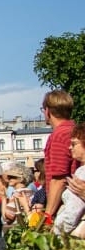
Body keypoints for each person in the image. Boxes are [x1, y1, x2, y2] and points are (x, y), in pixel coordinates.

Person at [43, 90, 79, 218]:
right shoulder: (76, 130)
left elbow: (59, 179)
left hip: (67, 208)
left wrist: (47, 216)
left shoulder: (60, 135)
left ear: (47, 111)